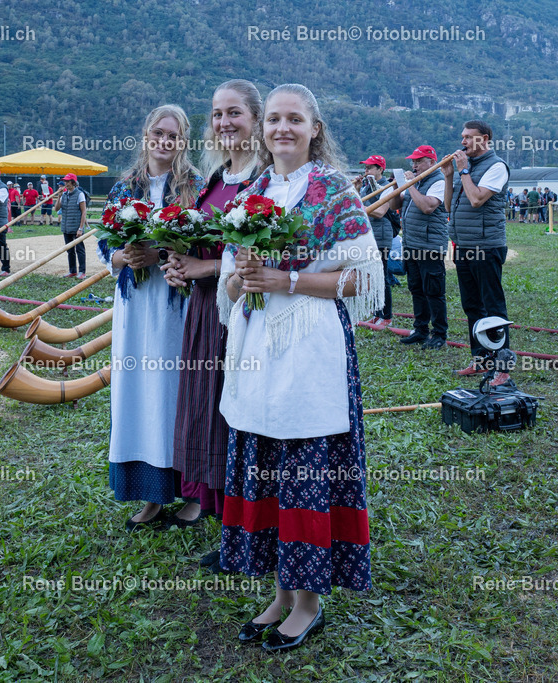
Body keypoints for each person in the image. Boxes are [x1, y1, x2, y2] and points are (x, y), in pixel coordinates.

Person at [216, 84, 380, 651]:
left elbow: (362, 279)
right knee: (265, 458)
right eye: (275, 119)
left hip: (310, 347)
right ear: (264, 130)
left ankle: (308, 602)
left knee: (305, 466)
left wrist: (286, 280)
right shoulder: (255, 190)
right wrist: (242, 277)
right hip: (258, 346)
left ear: (315, 129)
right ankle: (281, 593)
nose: (283, 128)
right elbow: (230, 286)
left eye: (295, 119)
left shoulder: (333, 189)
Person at [160, 79, 262, 565]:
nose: (224, 122)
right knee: (206, 408)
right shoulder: (215, 180)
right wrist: (180, 264)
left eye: (235, 113)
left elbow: (259, 252)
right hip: (204, 312)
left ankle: (244, 526)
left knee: (237, 413)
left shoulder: (264, 180)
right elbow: (203, 246)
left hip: (244, 315)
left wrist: (204, 268)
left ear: (256, 120)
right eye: (217, 113)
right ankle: (221, 515)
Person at [98, 104, 205, 531]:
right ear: (147, 135)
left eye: (173, 135)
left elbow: (205, 241)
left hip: (175, 305)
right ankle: (151, 495)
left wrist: (161, 252)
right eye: (158, 132)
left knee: (176, 390)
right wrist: (123, 255)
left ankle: (193, 495)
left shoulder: (195, 186)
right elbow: (106, 242)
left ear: (183, 140)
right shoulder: (125, 187)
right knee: (138, 392)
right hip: (134, 306)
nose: (165, 141)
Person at [450, 120, 512, 384]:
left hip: (486, 246)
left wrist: (463, 171)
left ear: (484, 138)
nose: (462, 142)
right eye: (462, 137)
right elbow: (446, 206)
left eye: (468, 137)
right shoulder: (469, 168)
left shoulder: (496, 167)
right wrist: (448, 175)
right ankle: (481, 360)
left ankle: (502, 368)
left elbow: (476, 200)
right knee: (472, 305)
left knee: (492, 307)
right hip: (463, 245)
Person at [393, 145, 452, 350]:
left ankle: (439, 333)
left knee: (433, 291)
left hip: (429, 245)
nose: (414, 165)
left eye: (419, 161)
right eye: (413, 161)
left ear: (431, 163)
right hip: (411, 244)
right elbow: (394, 206)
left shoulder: (438, 181)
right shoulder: (416, 182)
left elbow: (427, 206)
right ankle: (420, 330)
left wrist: (410, 185)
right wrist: (396, 188)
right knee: (416, 289)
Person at [354, 155, 395, 327]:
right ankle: (376, 312)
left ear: (380, 169)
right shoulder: (365, 188)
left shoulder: (387, 187)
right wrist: (355, 190)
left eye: (370, 168)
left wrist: (360, 206)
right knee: (370, 275)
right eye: (365, 168)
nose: (366, 171)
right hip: (368, 235)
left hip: (381, 235)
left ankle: (386, 315)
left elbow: (380, 212)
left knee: (382, 276)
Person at [55, 173, 87, 279]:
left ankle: (82, 271)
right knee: (70, 250)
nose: (66, 183)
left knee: (79, 249)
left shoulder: (80, 194)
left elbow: (83, 212)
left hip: (76, 226)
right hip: (66, 226)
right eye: (65, 181)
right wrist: (59, 196)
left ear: (73, 183)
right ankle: (72, 271)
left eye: (68, 181)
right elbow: (56, 209)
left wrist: (81, 228)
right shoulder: (64, 195)